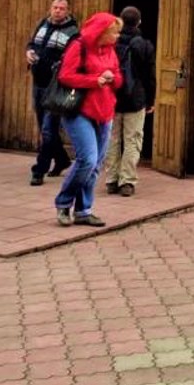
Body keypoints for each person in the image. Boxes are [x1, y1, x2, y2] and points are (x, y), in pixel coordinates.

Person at [53, 11, 122, 227]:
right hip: (79, 110)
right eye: (114, 32)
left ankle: (83, 210)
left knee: (95, 165)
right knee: (88, 159)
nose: (117, 36)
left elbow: (119, 76)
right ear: (102, 32)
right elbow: (66, 76)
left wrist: (113, 78)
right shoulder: (79, 46)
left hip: (105, 110)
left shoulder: (110, 50)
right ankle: (64, 203)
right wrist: (95, 80)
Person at [25, 0, 79, 186]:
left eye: (61, 8)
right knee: (44, 128)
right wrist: (29, 52)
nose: (57, 11)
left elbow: (72, 59)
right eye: (55, 7)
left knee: (48, 130)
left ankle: (39, 170)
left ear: (68, 11)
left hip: (56, 87)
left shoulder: (73, 32)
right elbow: (32, 43)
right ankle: (62, 160)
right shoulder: (43, 24)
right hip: (38, 82)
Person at [102, 6, 156, 197]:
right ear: (139, 22)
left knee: (112, 138)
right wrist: (150, 99)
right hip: (136, 97)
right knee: (133, 139)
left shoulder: (110, 42)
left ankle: (111, 180)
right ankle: (127, 181)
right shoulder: (145, 45)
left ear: (121, 21)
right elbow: (149, 76)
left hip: (112, 96)